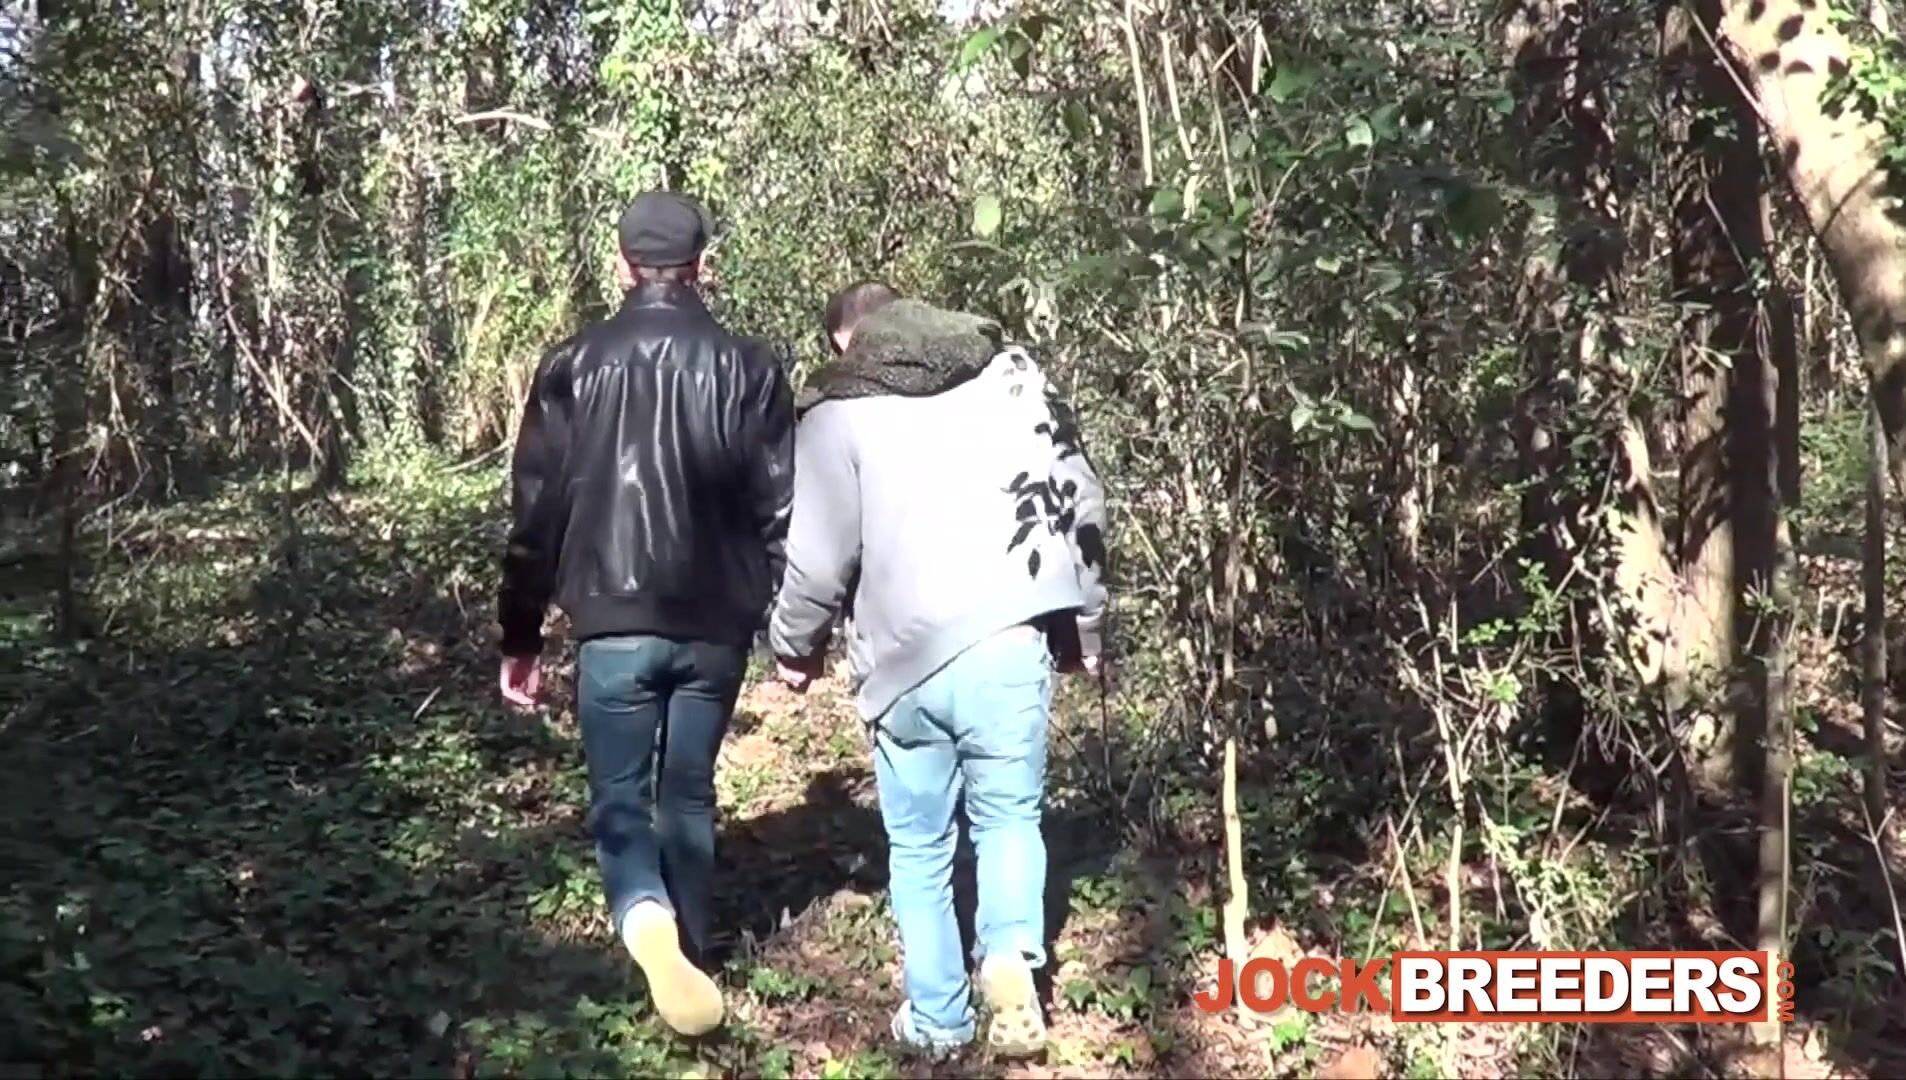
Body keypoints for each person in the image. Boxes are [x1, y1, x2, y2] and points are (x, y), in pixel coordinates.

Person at [767, 282, 1109, 1057]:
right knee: (1010, 818)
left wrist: (794, 646)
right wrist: (1083, 625)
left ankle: (938, 1019)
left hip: (902, 658)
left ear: (845, 341)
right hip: (1008, 638)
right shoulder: (1012, 376)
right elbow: (1079, 499)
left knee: (920, 848)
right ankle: (1010, 957)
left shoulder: (836, 410)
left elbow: (817, 558)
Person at [495, 191, 795, 1038]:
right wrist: (786, 626)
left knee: (620, 799)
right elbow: (781, 510)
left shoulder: (573, 364)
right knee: (688, 793)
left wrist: (521, 633)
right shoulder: (750, 367)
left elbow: (536, 513)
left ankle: (646, 921)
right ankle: (689, 955)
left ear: (624, 264)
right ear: (702, 264)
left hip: (610, 619)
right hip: (716, 624)